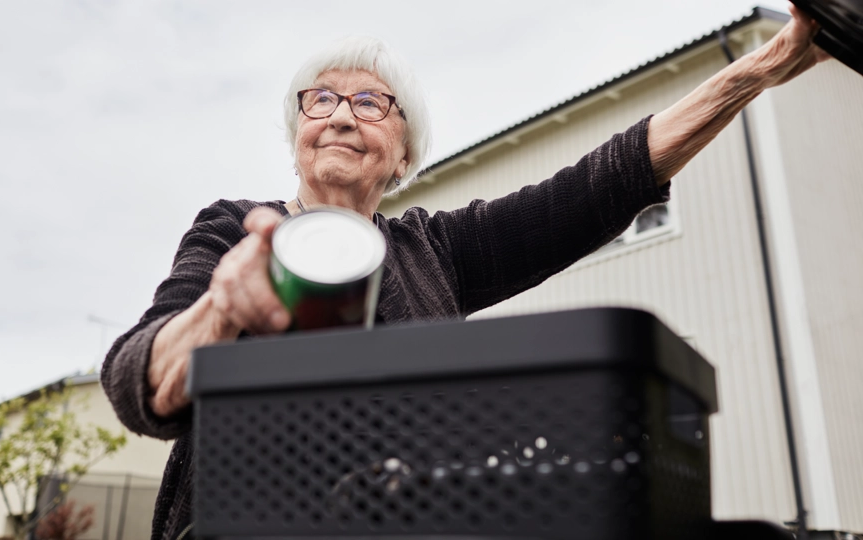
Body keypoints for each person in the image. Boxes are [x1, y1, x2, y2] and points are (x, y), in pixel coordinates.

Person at [101, 6, 829, 539]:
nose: (342, 116)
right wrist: (218, 314)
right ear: (296, 135)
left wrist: (761, 69)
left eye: (370, 102)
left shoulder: (433, 249)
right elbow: (139, 380)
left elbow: (596, 186)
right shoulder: (234, 232)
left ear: (405, 151)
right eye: (320, 99)